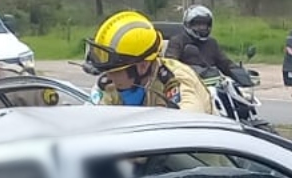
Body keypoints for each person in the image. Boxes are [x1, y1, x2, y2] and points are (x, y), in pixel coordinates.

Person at [85, 10, 213, 113]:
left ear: (142, 66)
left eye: (115, 71)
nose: (108, 77)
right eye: (106, 70)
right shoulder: (110, 84)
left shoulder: (176, 81)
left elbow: (188, 127)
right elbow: (90, 121)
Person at [165, 4, 237, 77]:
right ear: (188, 24)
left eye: (205, 24)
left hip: (212, 83)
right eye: (198, 24)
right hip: (187, 83)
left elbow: (224, 62)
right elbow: (171, 64)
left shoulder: (212, 43)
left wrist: (237, 70)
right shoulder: (177, 41)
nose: (202, 28)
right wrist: (194, 70)